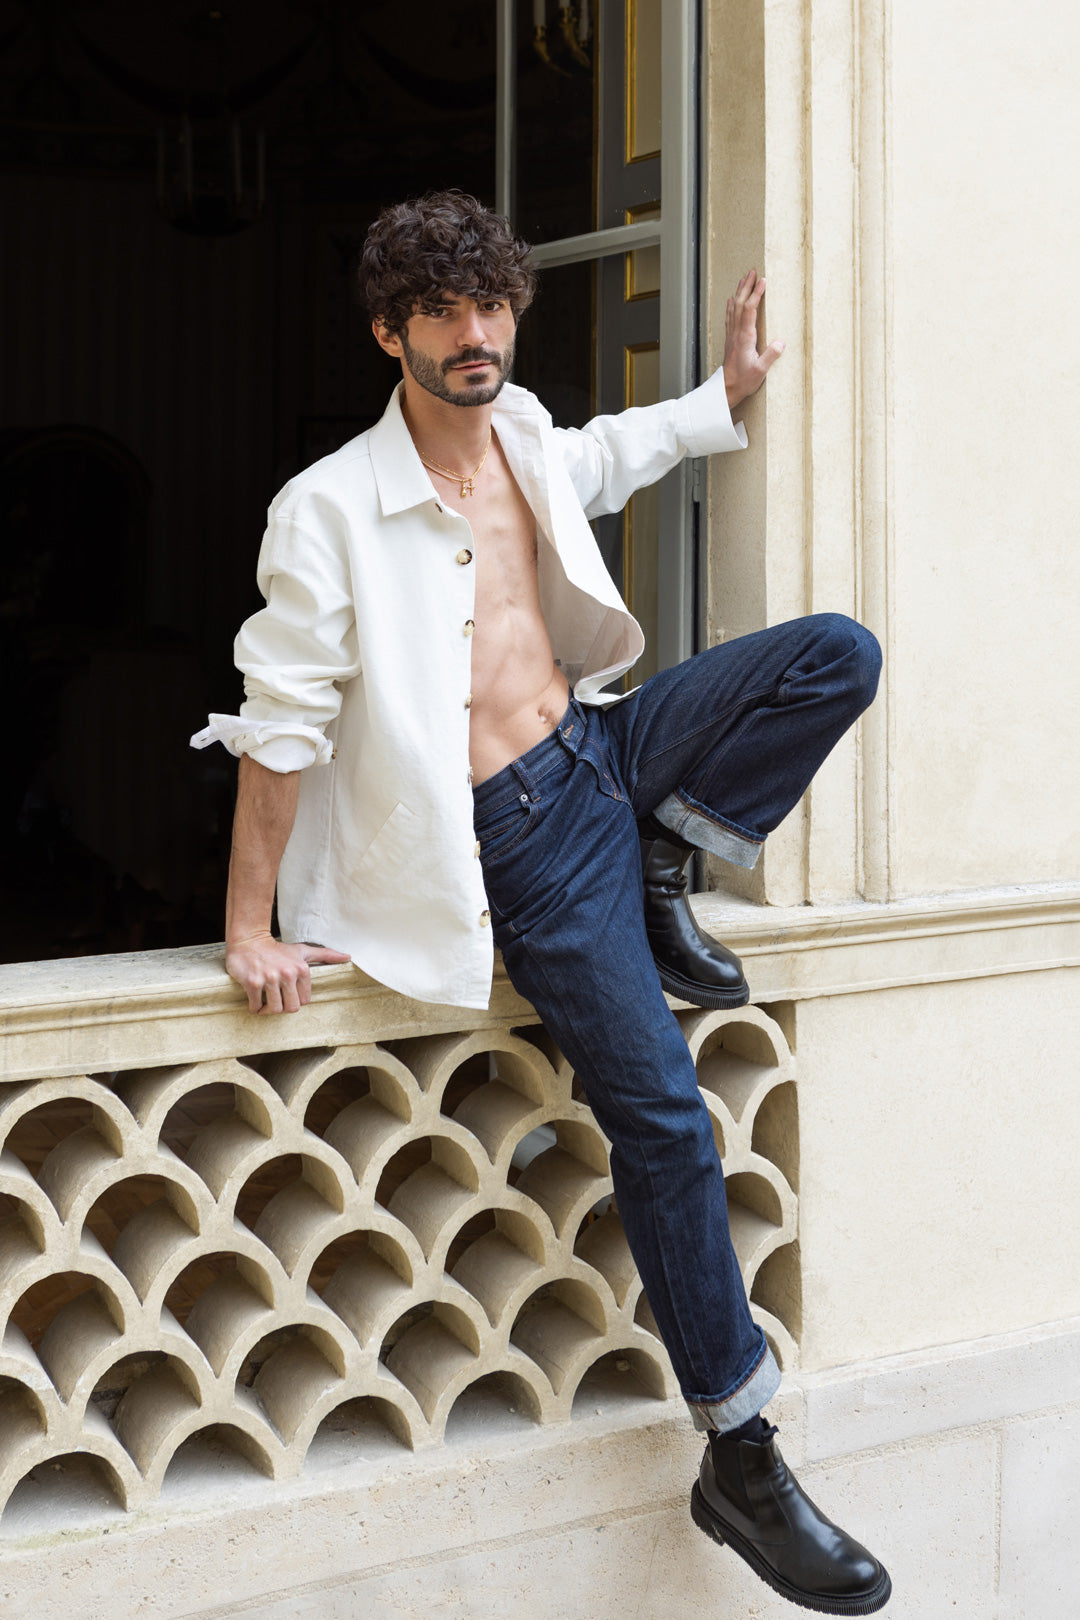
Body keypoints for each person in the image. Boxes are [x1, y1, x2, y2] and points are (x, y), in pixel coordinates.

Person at [192, 190, 891, 1615]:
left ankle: (667, 855)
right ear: (389, 334)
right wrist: (249, 924)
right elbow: (279, 727)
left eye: (492, 304)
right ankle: (740, 1453)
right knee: (667, 1119)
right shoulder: (328, 508)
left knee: (835, 653)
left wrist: (723, 397)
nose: (475, 332)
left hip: (601, 749)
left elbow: (607, 456)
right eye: (441, 311)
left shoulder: (519, 433)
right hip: (520, 839)